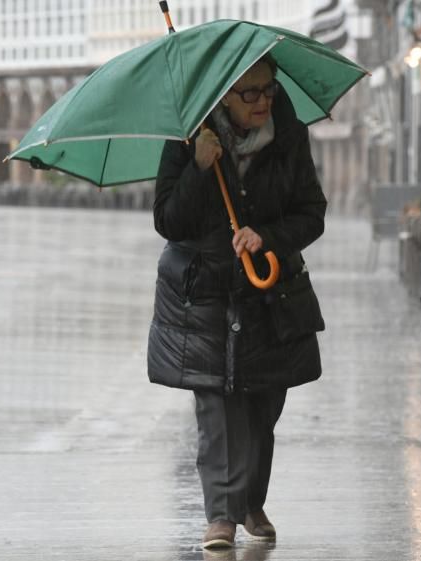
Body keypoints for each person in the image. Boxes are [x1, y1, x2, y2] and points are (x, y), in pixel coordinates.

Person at [147, 54, 327, 549]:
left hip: (270, 293)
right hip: (204, 295)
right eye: (250, 93)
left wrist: (265, 236)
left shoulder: (289, 134)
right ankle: (221, 516)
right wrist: (200, 169)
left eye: (268, 90)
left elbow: (312, 214)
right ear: (223, 96)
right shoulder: (188, 137)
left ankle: (249, 502)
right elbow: (168, 221)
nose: (263, 101)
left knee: (263, 404)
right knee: (218, 404)